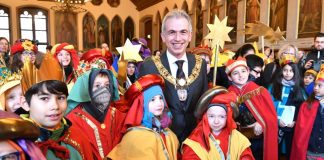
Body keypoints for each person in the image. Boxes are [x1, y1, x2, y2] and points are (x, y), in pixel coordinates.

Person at [138, 9, 208, 143]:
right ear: (163, 36)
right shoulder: (149, 66)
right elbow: (142, 109)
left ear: (190, 36)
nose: (177, 38)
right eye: (172, 32)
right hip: (162, 141)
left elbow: (203, 105)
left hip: (195, 141)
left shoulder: (200, 64)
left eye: (183, 32)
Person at [108, 74, 179, 159]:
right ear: (143, 104)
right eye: (152, 99)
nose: (159, 103)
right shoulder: (135, 137)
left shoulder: (168, 133)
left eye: (160, 98)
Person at [66, 68, 126, 159]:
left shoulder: (116, 114)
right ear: (88, 89)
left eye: (107, 85)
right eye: (97, 86)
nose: (104, 90)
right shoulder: (73, 119)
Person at [226, 57, 278, 160]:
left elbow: (271, 117)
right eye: (235, 73)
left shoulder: (260, 91)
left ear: (248, 72)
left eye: (243, 71)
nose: (241, 75)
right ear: (230, 77)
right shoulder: (228, 94)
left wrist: (261, 123)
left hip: (258, 140)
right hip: (238, 139)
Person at [182, 87, 254, 159]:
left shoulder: (237, 138)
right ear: (205, 117)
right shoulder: (195, 140)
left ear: (228, 117)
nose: (216, 121)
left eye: (222, 117)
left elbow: (246, 156)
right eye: (212, 116)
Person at [268, 55, 306, 159]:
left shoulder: (299, 89)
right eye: (285, 70)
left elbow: (302, 109)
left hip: (292, 126)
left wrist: (295, 121)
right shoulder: (273, 87)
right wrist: (277, 119)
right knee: (275, 150)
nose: (288, 73)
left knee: (290, 150)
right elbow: (268, 106)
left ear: (295, 72)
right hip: (276, 125)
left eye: (291, 71)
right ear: (281, 71)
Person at [290, 65, 324, 160]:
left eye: (319, 85)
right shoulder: (307, 105)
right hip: (310, 150)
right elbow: (301, 131)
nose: (315, 88)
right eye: (315, 85)